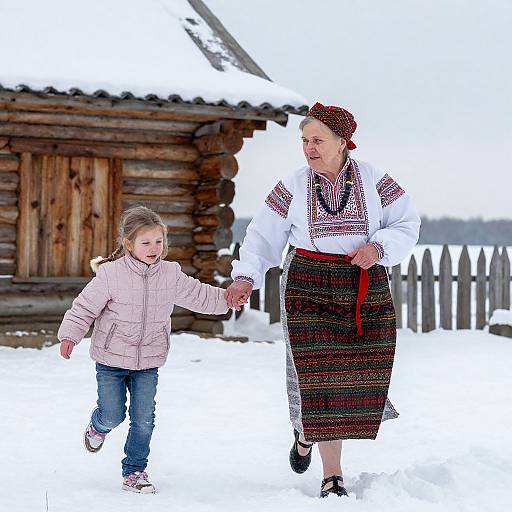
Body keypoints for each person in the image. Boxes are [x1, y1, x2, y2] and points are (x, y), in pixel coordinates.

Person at [226, 102, 421, 498]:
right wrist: (246, 277)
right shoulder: (292, 185)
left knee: (358, 371)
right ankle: (332, 474)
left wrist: (379, 248)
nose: (309, 148)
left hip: (360, 280)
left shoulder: (375, 180)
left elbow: (407, 222)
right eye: (304, 140)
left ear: (342, 142)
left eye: (317, 140)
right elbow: (263, 235)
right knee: (318, 375)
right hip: (307, 285)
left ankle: (304, 432)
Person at [58, 205, 233, 494]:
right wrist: (69, 336)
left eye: (159, 241)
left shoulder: (170, 274)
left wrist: (227, 298)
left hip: (149, 360)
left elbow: (198, 295)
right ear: (129, 245)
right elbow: (84, 307)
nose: (154, 248)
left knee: (143, 419)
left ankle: (135, 471)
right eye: (146, 242)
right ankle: (98, 426)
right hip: (111, 360)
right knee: (113, 414)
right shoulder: (111, 275)